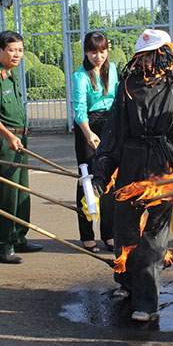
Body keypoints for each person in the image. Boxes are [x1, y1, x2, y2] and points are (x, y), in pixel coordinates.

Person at [91, 28, 173, 322]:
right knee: (126, 226)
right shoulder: (128, 85)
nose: (148, 61)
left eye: (153, 55)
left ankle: (147, 302)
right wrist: (101, 173)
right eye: (142, 56)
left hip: (161, 165)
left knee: (154, 238)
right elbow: (114, 132)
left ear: (164, 55)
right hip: (131, 162)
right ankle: (128, 283)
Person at [0, 30, 42, 264]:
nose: (17, 54)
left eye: (20, 50)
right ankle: (3, 244)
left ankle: (18, 238)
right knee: (7, 193)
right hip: (5, 141)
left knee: (21, 191)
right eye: (12, 50)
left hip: (19, 140)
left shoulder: (9, 75)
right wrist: (8, 135)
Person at [72, 31, 118, 252]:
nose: (98, 56)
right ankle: (87, 235)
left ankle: (109, 234)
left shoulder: (113, 69)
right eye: (93, 52)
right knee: (88, 178)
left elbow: (118, 99)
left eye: (102, 51)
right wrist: (89, 134)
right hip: (88, 125)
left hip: (110, 123)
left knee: (110, 179)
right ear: (86, 53)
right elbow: (79, 109)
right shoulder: (80, 75)